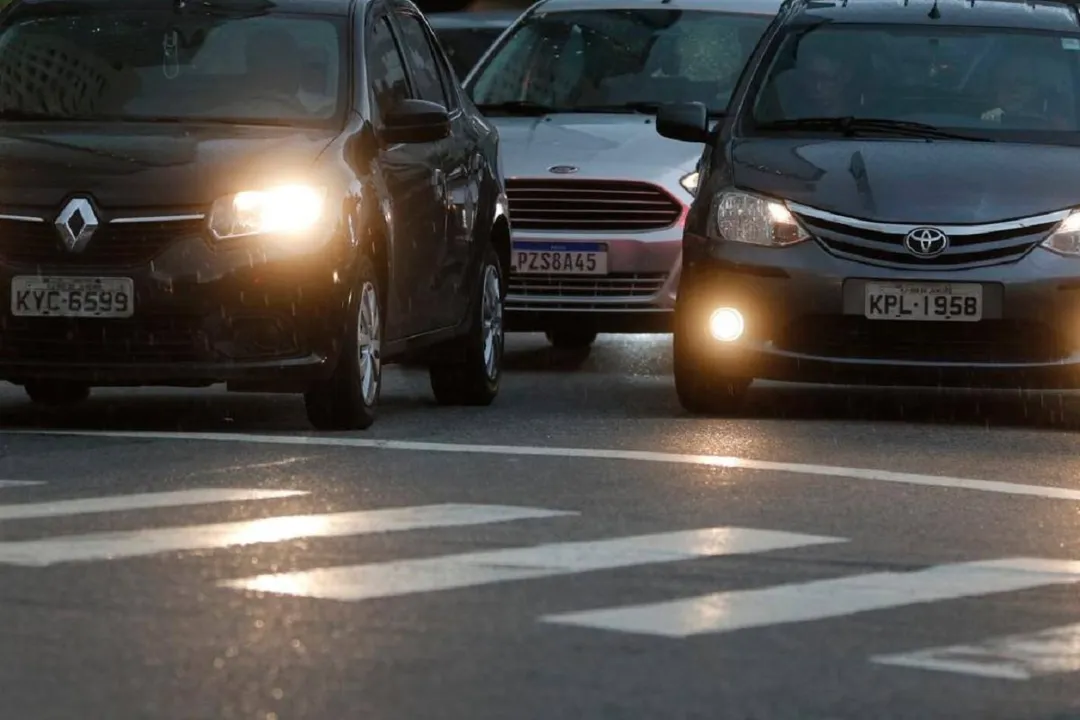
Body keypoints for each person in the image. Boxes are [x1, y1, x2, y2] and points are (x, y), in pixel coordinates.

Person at [980, 54, 1069, 129]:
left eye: (1021, 82)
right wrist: (987, 124)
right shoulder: (976, 123)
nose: (1013, 89)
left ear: (1034, 89)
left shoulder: (1056, 126)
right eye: (1005, 81)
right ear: (994, 88)